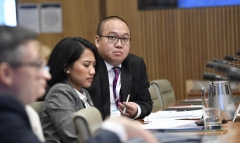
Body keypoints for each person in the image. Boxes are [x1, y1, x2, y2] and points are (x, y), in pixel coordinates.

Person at [0, 26, 159, 143]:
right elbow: (76, 137)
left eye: (94, 66)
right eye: (37, 65)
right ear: (67, 67)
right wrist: (114, 128)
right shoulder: (59, 92)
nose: (92, 71)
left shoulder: (83, 92)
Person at [87, 16, 153, 120]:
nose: (119, 45)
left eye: (125, 39)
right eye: (112, 38)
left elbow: (146, 103)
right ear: (98, 41)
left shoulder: (135, 64)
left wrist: (136, 109)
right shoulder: (87, 66)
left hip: (129, 128)